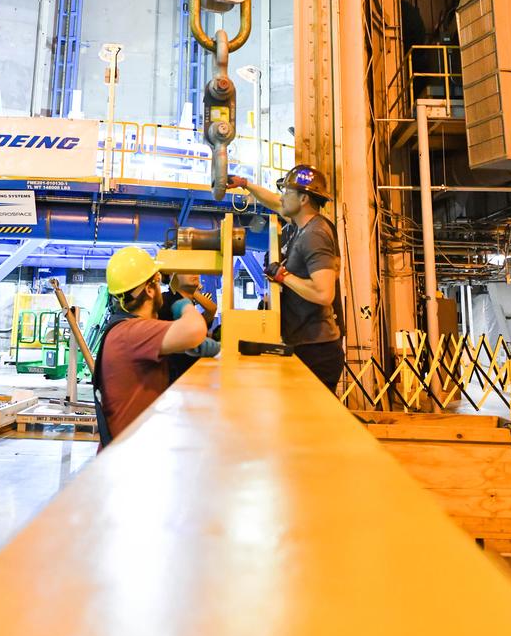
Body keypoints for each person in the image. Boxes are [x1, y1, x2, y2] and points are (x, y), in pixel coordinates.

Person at [227, 164, 345, 393]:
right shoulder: (301, 226)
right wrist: (246, 184)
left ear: (303, 199)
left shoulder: (315, 235)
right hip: (305, 344)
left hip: (317, 350)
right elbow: (274, 202)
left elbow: (324, 293)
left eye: (287, 192)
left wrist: (283, 276)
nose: (282, 197)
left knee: (313, 423)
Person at [95, 246, 208, 443]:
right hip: (131, 459)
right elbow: (195, 330)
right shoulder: (133, 332)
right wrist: (184, 305)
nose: (160, 289)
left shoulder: (125, 329)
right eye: (157, 281)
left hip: (133, 449)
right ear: (148, 289)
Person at [160, 273, 218, 382]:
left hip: (195, 371)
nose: (194, 273)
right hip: (176, 374)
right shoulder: (166, 299)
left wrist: (193, 293)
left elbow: (212, 310)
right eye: (187, 270)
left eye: (196, 270)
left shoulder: (191, 305)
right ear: (174, 274)